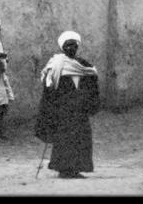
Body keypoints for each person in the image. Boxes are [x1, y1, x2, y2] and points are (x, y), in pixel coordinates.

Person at [35, 30, 100, 178]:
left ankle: (76, 168)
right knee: (64, 138)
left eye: (74, 46)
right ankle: (63, 169)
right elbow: (49, 86)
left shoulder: (83, 65)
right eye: (68, 46)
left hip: (80, 110)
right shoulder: (56, 64)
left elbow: (92, 79)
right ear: (62, 48)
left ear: (77, 47)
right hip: (63, 110)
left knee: (81, 138)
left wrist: (89, 102)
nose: (71, 49)